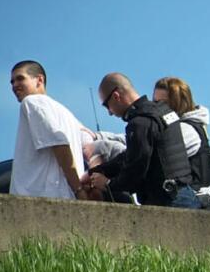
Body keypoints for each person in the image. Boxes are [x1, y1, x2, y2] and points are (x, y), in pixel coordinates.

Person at [84, 73, 200, 209]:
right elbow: (131, 156)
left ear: (116, 96)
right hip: (185, 197)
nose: (109, 112)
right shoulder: (163, 111)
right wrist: (97, 171)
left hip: (167, 203)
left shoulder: (139, 123)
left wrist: (108, 184)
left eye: (106, 105)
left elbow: (134, 171)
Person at [8, 60, 88, 200]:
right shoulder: (68, 115)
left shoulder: (31, 102)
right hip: (65, 198)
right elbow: (90, 144)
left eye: (20, 78)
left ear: (39, 80)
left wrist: (79, 190)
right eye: (12, 82)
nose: (14, 85)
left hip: (40, 201)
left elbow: (59, 143)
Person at [153, 76, 210, 208]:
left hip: (189, 204)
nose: (156, 108)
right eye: (154, 102)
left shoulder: (185, 130)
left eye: (162, 103)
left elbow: (149, 148)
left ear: (178, 103)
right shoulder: (184, 127)